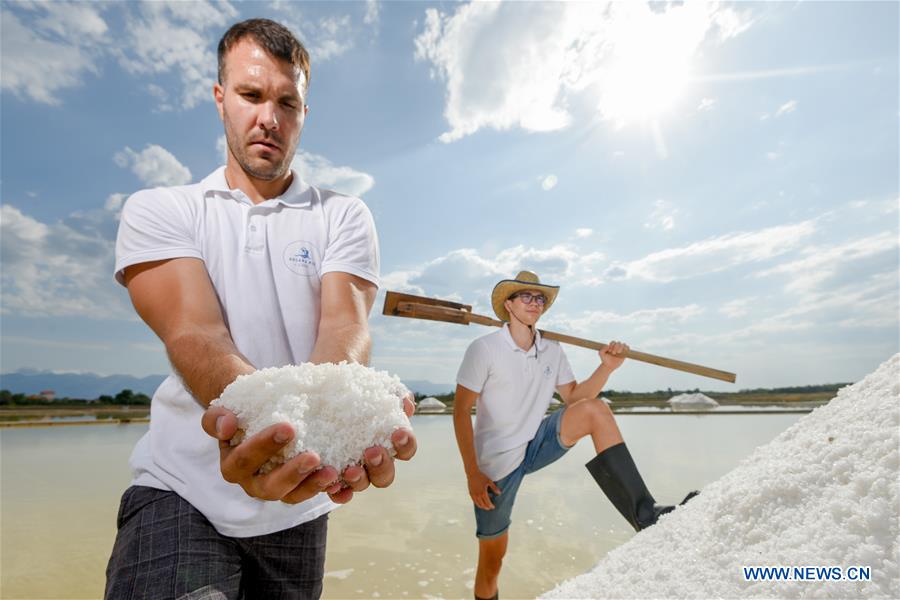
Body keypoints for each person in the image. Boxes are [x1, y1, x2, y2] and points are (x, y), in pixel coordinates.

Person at [105, 18, 417, 599]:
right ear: (221, 97)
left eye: (287, 102)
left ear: (304, 112)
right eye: (251, 95)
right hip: (181, 489)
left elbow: (344, 324)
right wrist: (266, 421)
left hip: (304, 496)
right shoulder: (161, 209)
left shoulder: (342, 214)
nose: (268, 118)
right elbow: (195, 332)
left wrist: (337, 417)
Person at [454, 271, 696, 600]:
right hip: (496, 465)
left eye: (540, 299)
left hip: (537, 442)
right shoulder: (484, 349)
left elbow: (574, 398)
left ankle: (645, 513)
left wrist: (607, 367)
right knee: (493, 560)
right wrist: (472, 472)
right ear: (508, 305)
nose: (535, 303)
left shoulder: (551, 348)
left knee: (595, 410)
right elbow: (460, 411)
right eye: (526, 297)